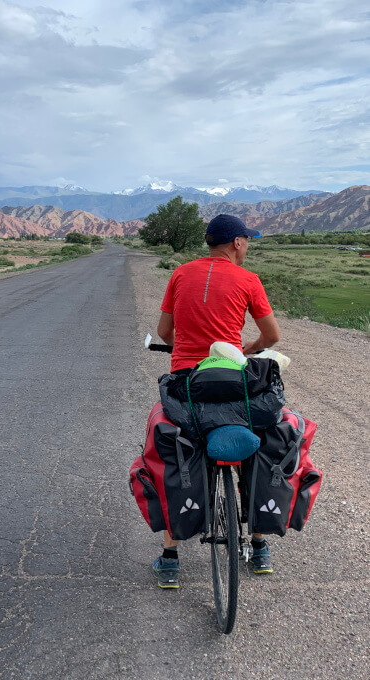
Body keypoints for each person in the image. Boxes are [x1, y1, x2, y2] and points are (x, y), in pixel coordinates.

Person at [152, 214, 281, 588]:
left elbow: (164, 332)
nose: (249, 245)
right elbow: (271, 335)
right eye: (248, 240)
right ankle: (259, 546)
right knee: (256, 443)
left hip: (186, 386)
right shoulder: (248, 279)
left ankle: (170, 558)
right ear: (238, 242)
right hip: (233, 382)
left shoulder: (179, 273)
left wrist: (190, 351)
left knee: (178, 452)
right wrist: (246, 349)